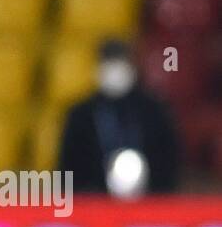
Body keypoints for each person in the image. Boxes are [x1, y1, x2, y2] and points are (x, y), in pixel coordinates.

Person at [58, 38, 181, 195]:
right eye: (109, 63)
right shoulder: (81, 115)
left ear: (132, 67)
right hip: (96, 202)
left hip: (149, 199)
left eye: (119, 63)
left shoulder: (154, 111)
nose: (114, 71)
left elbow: (169, 160)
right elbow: (69, 166)